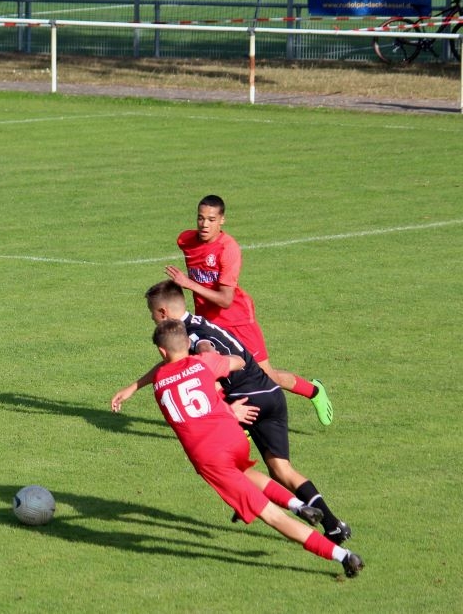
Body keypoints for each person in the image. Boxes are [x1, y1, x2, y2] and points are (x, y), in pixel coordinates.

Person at [111, 319, 364, 578]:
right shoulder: (203, 363)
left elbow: (166, 372)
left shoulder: (160, 381)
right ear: (188, 344)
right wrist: (211, 355)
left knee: (273, 518)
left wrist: (132, 387)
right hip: (234, 440)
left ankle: (343, 556)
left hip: (210, 458)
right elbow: (238, 362)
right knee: (244, 471)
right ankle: (299, 505)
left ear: (162, 352)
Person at [166, 194, 334, 426]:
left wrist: (189, 284)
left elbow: (225, 300)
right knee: (209, 372)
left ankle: (314, 391)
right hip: (208, 323)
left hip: (238, 320)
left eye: (212, 219)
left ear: (222, 220)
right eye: (201, 218)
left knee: (266, 377)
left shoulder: (228, 249)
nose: (205, 224)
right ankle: (233, 423)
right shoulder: (186, 240)